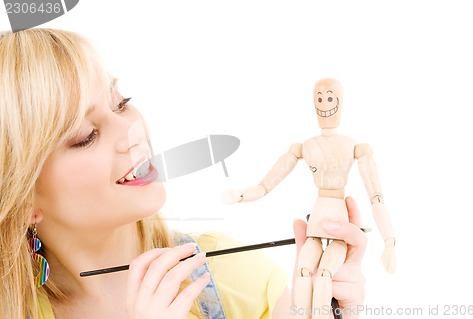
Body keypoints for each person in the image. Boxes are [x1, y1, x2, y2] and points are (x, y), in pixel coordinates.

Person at [0, 28, 367, 319]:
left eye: (120, 103)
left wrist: (335, 312)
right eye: (86, 136)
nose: (132, 131)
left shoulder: (229, 275)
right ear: (24, 196)